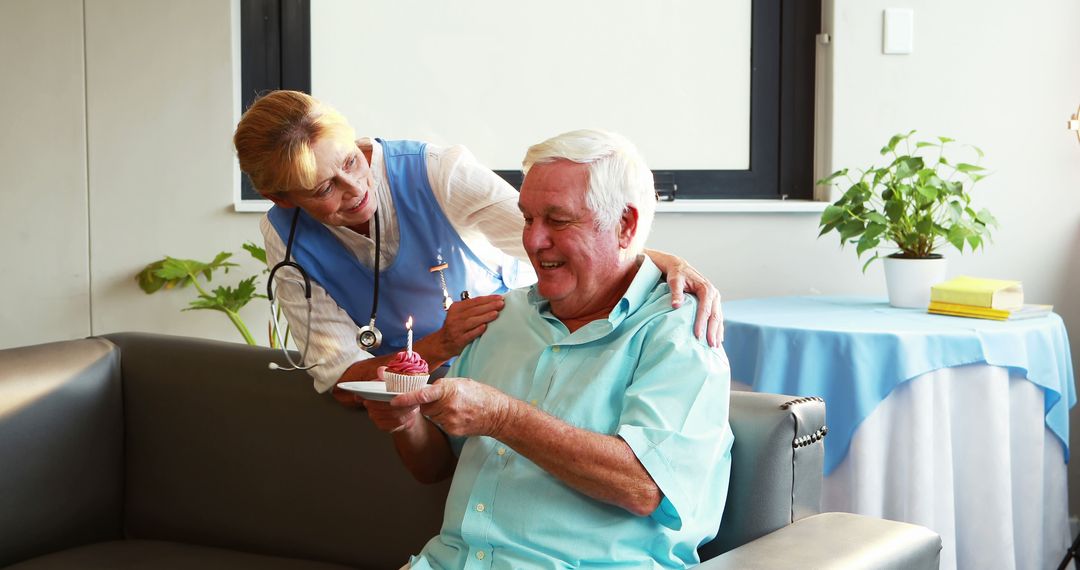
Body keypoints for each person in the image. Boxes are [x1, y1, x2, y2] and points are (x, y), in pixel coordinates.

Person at [367, 129, 733, 568]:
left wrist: (502, 416)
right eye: (526, 218)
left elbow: (645, 486)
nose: (533, 241)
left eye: (558, 221)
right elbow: (435, 467)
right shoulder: (499, 318)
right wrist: (406, 421)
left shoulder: (681, 333)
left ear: (626, 225)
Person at [232, 91, 723, 400]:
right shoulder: (286, 237)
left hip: (509, 374)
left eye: (352, 161)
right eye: (323, 189)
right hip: (400, 405)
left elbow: (555, 233)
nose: (354, 189)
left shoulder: (437, 171)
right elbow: (341, 382)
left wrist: (660, 256)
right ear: (282, 198)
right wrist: (434, 348)